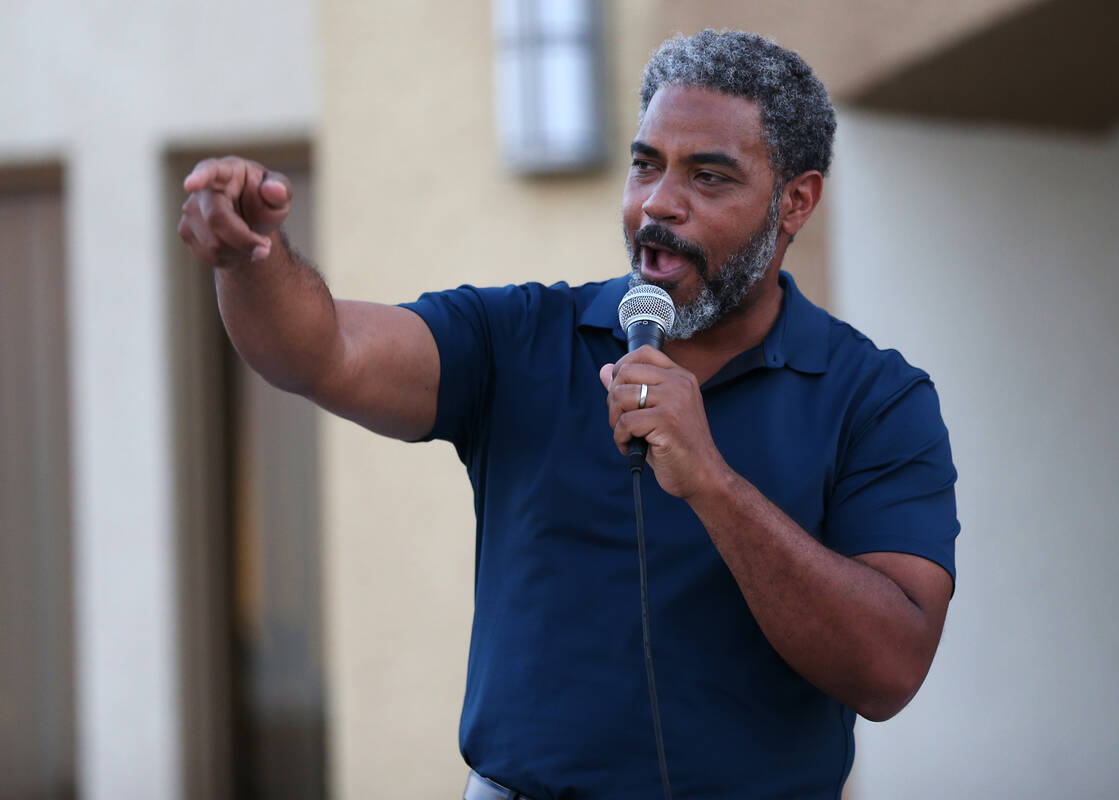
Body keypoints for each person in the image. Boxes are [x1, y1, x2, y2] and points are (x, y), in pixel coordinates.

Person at [179, 29, 959, 800]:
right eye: (646, 165)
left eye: (709, 177)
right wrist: (252, 260)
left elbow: (889, 671)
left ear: (796, 201)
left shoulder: (876, 399)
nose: (659, 203)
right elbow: (323, 352)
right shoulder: (520, 339)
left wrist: (714, 484)